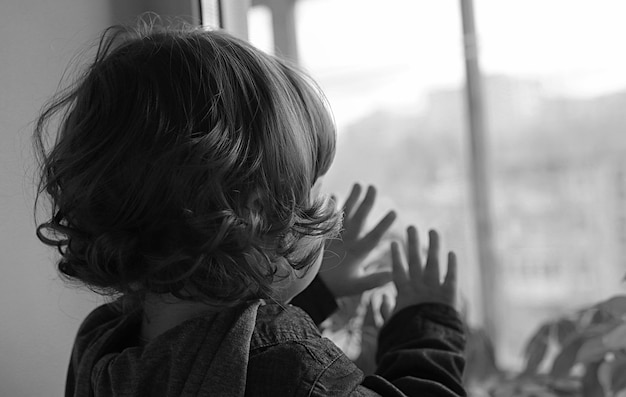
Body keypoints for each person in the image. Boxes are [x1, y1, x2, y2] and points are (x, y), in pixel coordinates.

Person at [34, 20, 466, 397]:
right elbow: (270, 365)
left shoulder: (102, 343)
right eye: (307, 187)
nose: (316, 202)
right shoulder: (295, 365)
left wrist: (314, 290)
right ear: (256, 217)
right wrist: (426, 322)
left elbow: (225, 358)